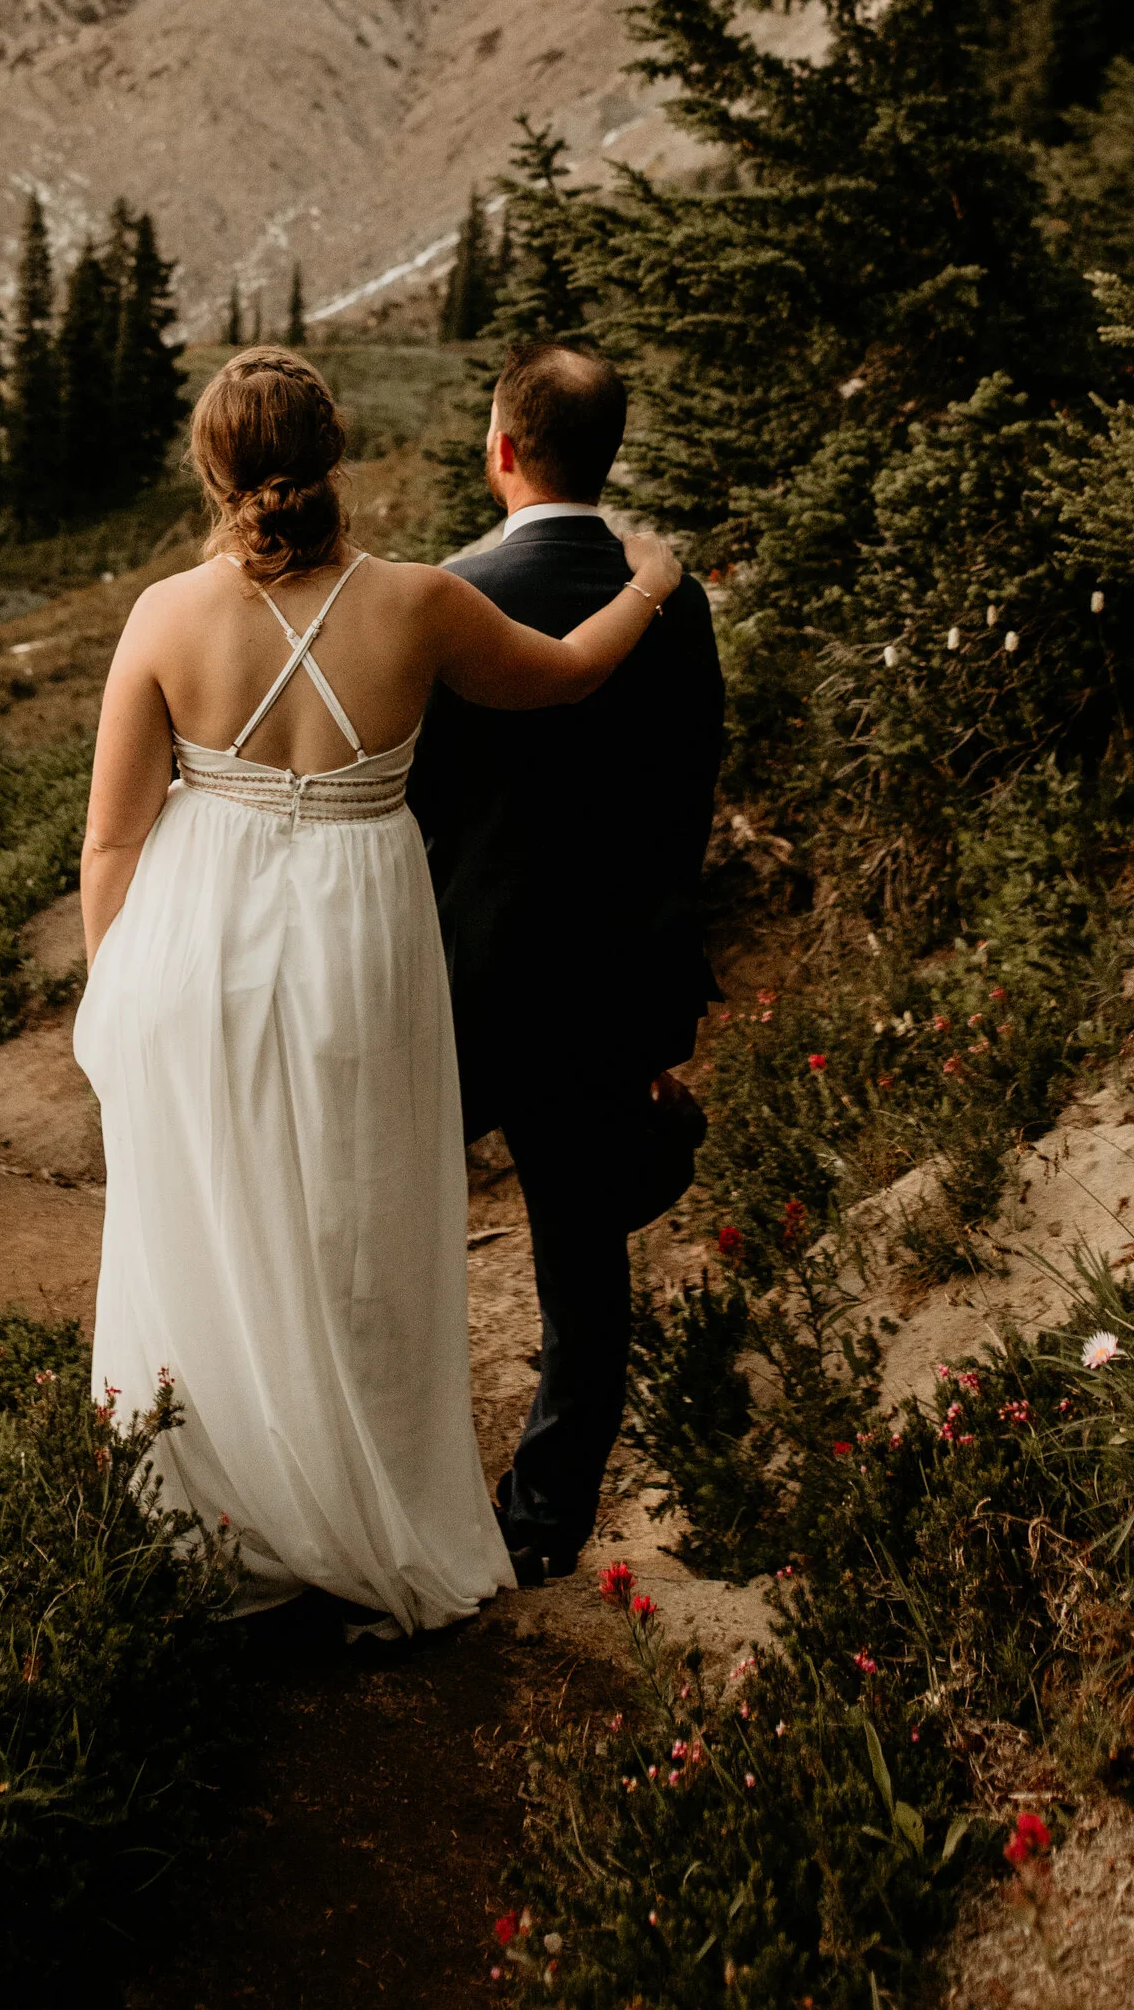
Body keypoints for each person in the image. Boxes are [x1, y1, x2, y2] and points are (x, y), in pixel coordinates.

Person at [74, 343, 683, 1637]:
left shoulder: (164, 618)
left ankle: (226, 1513)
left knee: (218, 1224)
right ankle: (360, 1511)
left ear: (211, 468)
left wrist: (113, 1008)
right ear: (334, 455)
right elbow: (572, 671)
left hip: (197, 958)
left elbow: (113, 843)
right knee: (358, 1235)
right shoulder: (418, 604)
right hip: (357, 952)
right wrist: (649, 582)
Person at [412, 338, 725, 1584]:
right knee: (583, 1267)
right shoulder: (673, 602)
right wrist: (657, 1000)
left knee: (390, 1233)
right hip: (602, 981)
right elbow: (686, 797)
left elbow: (411, 802)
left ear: (500, 449)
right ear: (607, 454)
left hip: (459, 976)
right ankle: (542, 1524)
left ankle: (393, 1488)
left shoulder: (451, 594)